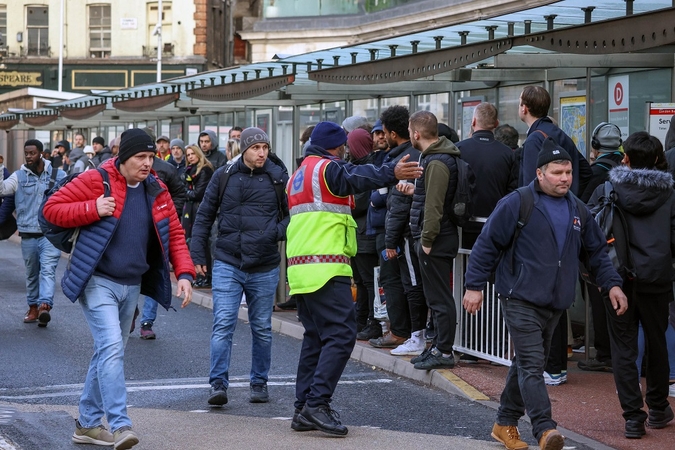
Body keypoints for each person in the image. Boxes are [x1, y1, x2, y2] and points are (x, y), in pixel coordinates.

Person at [462, 137, 626, 450]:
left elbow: (596, 253)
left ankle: (504, 422)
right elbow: (487, 244)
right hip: (519, 296)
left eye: (568, 172)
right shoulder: (517, 202)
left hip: (556, 302)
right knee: (533, 364)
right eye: (557, 172)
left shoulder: (578, 208)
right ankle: (544, 429)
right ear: (540, 174)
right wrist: (474, 286)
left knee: (525, 364)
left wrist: (613, 284)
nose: (565, 178)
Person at [42, 128, 195, 450]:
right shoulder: (97, 179)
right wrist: (92, 209)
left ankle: (86, 425)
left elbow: (176, 234)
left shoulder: (157, 188)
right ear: (123, 157)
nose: (147, 163)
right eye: (141, 156)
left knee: (108, 353)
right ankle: (121, 424)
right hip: (97, 280)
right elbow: (51, 210)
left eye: (151, 157)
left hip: (132, 284)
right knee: (112, 348)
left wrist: (184, 273)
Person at [286, 121, 422, 436]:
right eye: (344, 146)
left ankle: (302, 408)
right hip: (325, 266)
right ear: (337, 146)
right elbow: (355, 176)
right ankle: (316, 404)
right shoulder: (327, 169)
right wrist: (391, 173)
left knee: (316, 338)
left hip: (302, 269)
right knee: (342, 336)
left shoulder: (299, 174)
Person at [190, 127, 289, 406]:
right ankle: (218, 384)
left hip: (265, 263)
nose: (262, 153)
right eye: (256, 148)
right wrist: (197, 254)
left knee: (261, 327)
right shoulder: (224, 176)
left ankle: (259, 382)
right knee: (223, 323)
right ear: (244, 149)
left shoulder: (279, 178)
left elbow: (293, 215)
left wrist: (274, 232)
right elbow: (204, 216)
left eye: (265, 148)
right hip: (228, 261)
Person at [588, 131, 675, 439]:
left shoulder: (607, 189)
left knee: (623, 347)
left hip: (617, 280)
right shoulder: (670, 194)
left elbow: (590, 234)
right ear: (657, 159)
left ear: (625, 158)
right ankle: (659, 407)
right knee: (657, 342)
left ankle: (633, 418)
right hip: (657, 278)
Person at [402, 111, 461, 370]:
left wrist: (426, 240)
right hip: (434, 238)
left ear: (415, 134)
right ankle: (436, 347)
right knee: (435, 297)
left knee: (439, 298)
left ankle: (444, 350)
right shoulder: (435, 157)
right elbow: (430, 197)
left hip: (435, 240)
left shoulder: (437, 162)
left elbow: (434, 206)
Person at [0, 139, 66, 327]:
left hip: (50, 234)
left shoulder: (58, 174)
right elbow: (2, 190)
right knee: (31, 273)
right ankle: (33, 307)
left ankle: (45, 304)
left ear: (41, 154)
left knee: (48, 270)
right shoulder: (18, 176)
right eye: (26, 153)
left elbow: (69, 197)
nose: (29, 156)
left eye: (32, 153)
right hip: (28, 234)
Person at [577, 122, 625, 374]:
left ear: (595, 145)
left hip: (600, 246)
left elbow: (583, 210)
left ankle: (604, 352)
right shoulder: (627, 168)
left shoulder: (595, 172)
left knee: (598, 299)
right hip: (623, 247)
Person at [367, 105, 414, 351]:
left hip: (394, 232)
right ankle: (407, 331)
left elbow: (386, 200)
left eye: (383, 131)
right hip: (396, 230)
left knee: (393, 280)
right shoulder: (408, 153)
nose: (381, 137)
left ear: (393, 133)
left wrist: (389, 240)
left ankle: (399, 331)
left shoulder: (399, 158)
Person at [456, 102, 517, 248]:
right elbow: (513, 191)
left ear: (473, 121)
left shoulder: (458, 149)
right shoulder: (508, 153)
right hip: (495, 224)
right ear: (496, 123)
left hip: (463, 226)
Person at [181, 144, 214, 288]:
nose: (190, 157)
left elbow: (198, 193)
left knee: (202, 242)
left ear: (198, 154)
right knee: (193, 242)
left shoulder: (205, 170)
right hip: (190, 210)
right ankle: (199, 274)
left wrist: (184, 192)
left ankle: (206, 275)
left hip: (201, 209)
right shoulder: (188, 171)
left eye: (192, 154)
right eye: (188, 155)